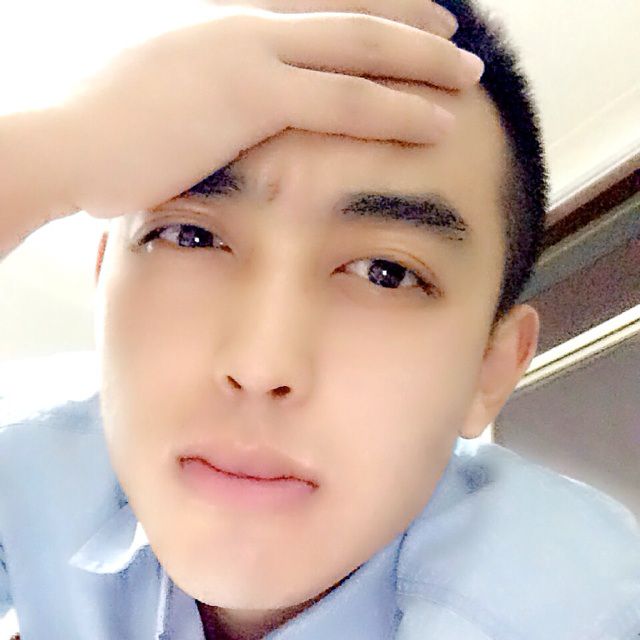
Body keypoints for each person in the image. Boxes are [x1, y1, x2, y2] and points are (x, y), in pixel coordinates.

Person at [1, 1, 639, 638]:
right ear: (102, 288)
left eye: (386, 273)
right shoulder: (35, 478)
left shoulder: (576, 601)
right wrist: (49, 153)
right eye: (190, 237)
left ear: (490, 372)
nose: (260, 366)